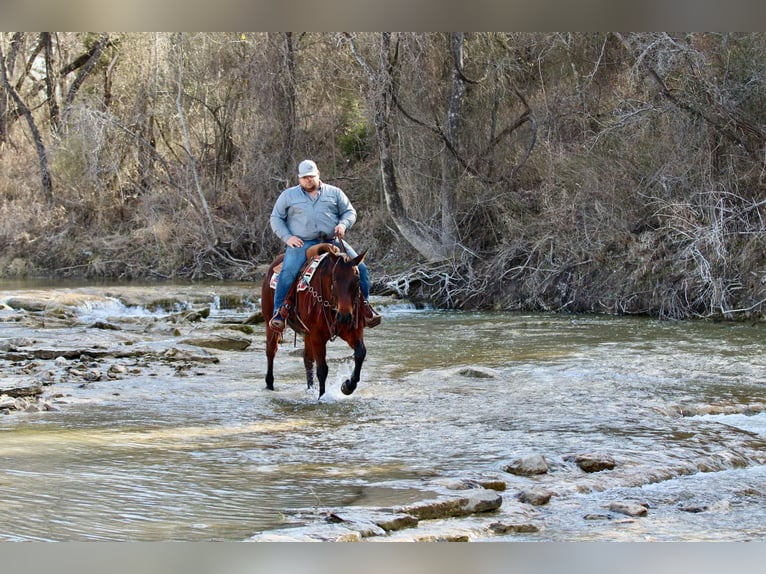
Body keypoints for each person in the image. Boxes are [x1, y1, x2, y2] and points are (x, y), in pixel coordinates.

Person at [268, 159, 381, 332]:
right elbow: (276, 218)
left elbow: (350, 212)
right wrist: (288, 237)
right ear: (299, 178)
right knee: (289, 271)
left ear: (318, 174)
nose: (308, 180)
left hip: (332, 240)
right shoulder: (288, 196)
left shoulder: (334, 193)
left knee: (362, 269)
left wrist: (343, 225)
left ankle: (364, 309)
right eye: (304, 177)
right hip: (302, 242)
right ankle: (279, 313)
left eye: (311, 176)